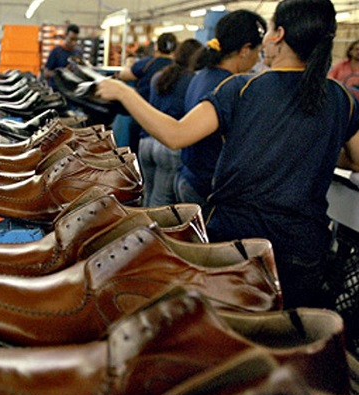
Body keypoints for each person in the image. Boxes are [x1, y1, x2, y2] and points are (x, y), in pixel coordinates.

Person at [96, 0, 359, 310]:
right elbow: (355, 160)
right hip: (301, 249)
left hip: (236, 242)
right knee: (283, 343)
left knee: (225, 338)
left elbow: (176, 135)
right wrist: (315, 149)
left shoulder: (241, 89)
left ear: (278, 35)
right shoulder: (343, 99)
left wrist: (124, 93)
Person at [176, 11, 267, 212]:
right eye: (258, 52)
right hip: (207, 186)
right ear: (245, 50)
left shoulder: (202, 75)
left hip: (189, 177)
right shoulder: (228, 87)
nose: (257, 60)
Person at [139, 39, 204, 206]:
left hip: (146, 142)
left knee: (147, 195)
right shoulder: (194, 81)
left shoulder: (159, 77)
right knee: (161, 202)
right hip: (168, 146)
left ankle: (141, 229)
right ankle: (153, 232)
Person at [115, 33, 178, 159]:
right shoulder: (177, 69)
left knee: (135, 162)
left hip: (142, 120)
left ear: (156, 47)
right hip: (167, 126)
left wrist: (129, 63)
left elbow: (124, 75)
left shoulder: (147, 64)